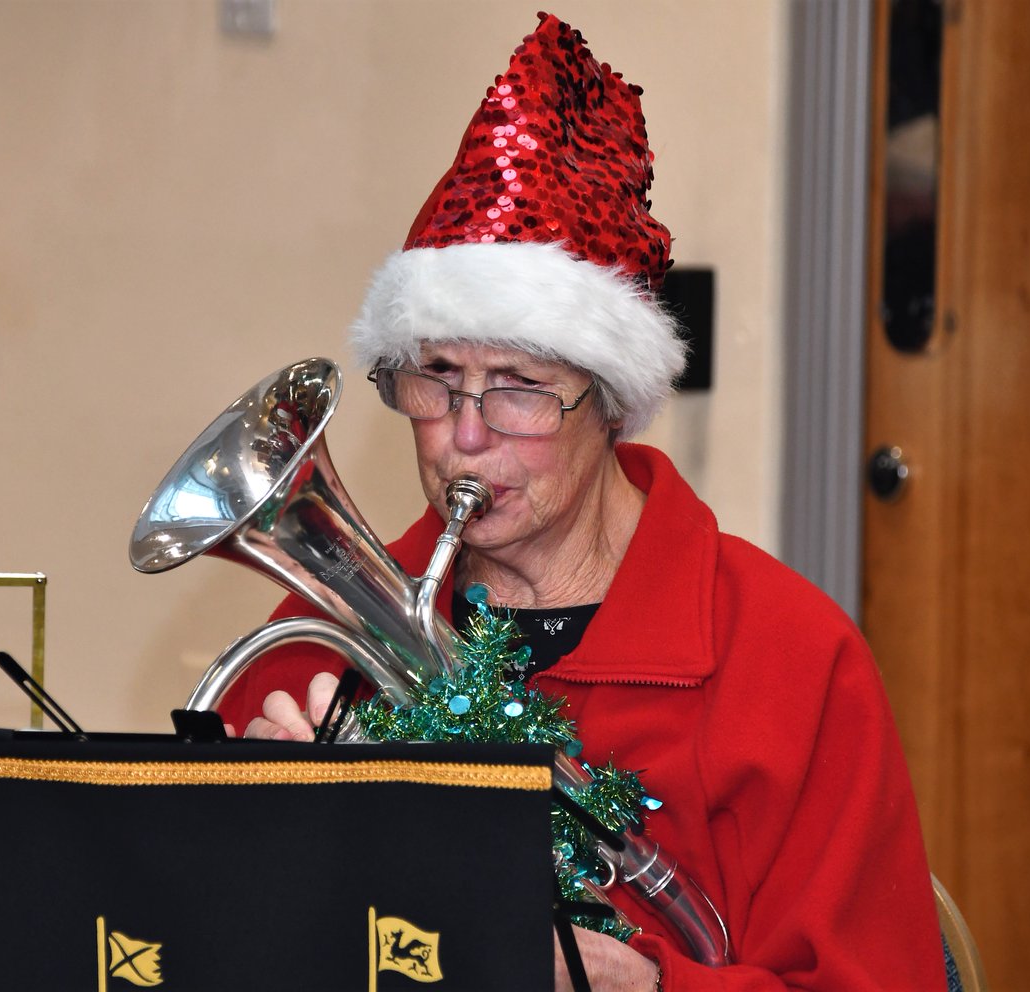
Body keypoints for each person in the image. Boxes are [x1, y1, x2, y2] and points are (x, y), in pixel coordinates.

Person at [218, 13, 946, 991]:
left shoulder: (792, 662)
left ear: (608, 404)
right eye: (435, 377)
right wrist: (260, 837)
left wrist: (656, 988)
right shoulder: (320, 639)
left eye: (518, 384)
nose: (465, 434)